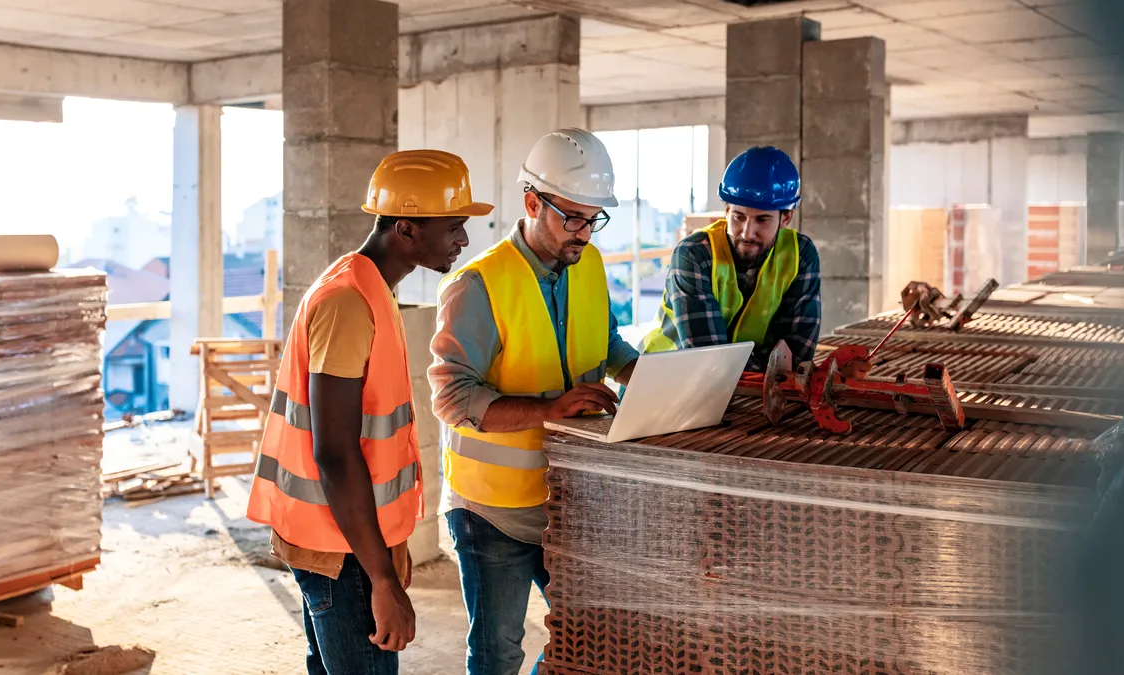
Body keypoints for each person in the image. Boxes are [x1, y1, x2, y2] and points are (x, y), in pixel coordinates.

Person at [246, 149, 493, 675]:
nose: (463, 240)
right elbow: (334, 453)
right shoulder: (348, 303)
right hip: (342, 550)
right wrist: (381, 579)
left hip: (350, 537)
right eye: (453, 227)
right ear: (405, 228)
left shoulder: (369, 289)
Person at [428, 128, 640, 675]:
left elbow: (607, 343)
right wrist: (548, 409)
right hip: (492, 511)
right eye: (573, 217)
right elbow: (453, 398)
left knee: (591, 636)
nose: (586, 233)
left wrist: (646, 376)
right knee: (498, 655)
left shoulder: (587, 265)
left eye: (595, 218)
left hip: (571, 499)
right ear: (531, 202)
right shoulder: (478, 285)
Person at [640, 145, 822, 371]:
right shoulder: (694, 255)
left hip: (741, 391)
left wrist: (781, 368)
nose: (747, 232)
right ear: (726, 210)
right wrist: (774, 368)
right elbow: (709, 360)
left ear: (786, 218)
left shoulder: (800, 255)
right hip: (661, 383)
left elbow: (796, 356)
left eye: (762, 220)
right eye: (739, 217)